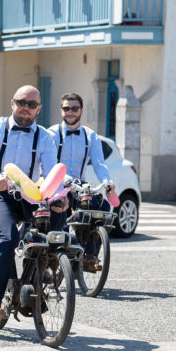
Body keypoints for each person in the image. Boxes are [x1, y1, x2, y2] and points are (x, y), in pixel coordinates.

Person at [0, 85, 64, 319]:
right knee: (8, 237)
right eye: (21, 102)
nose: (26, 108)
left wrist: (58, 196)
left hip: (28, 195)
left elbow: (51, 169)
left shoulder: (44, 136)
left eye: (32, 105)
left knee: (56, 215)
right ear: (12, 103)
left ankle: (40, 270)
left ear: (39, 110)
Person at [47, 93, 115, 269]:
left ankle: (90, 255)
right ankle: (52, 257)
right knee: (56, 213)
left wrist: (107, 181)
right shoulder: (51, 134)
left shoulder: (90, 136)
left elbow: (99, 163)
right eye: (66, 108)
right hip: (57, 186)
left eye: (74, 108)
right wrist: (66, 181)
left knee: (104, 208)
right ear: (61, 110)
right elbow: (49, 163)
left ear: (81, 111)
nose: (70, 112)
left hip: (79, 187)